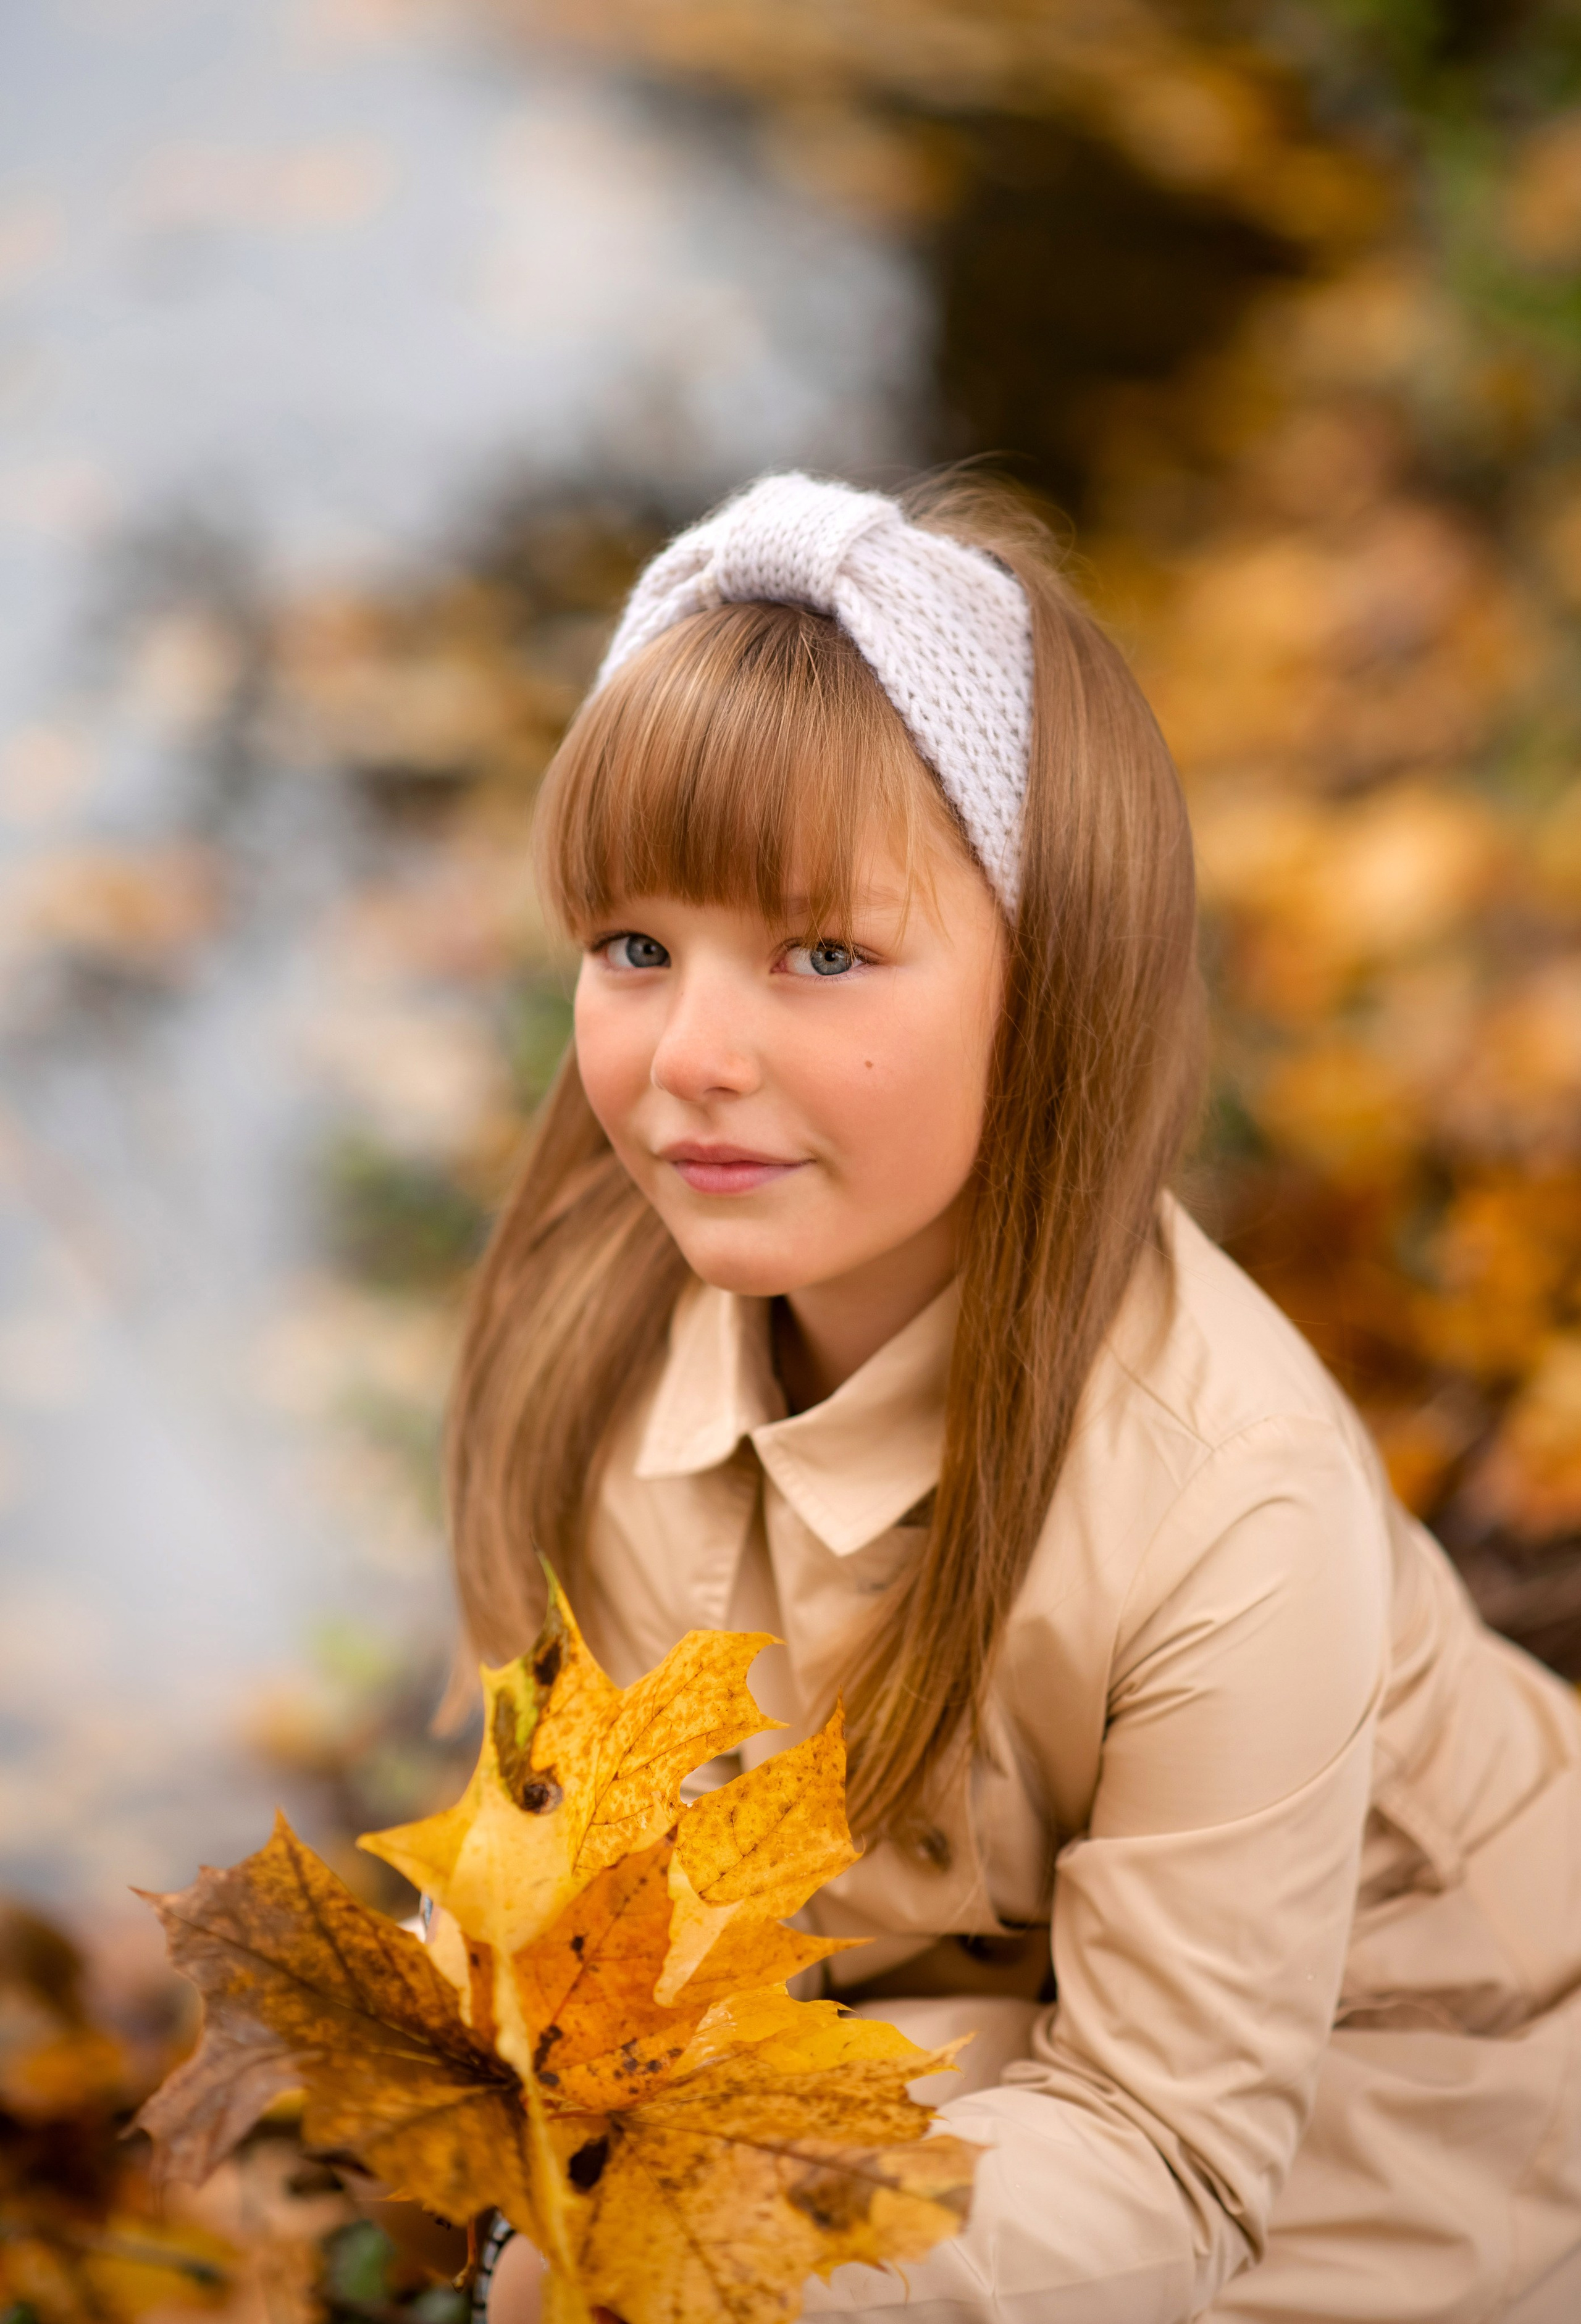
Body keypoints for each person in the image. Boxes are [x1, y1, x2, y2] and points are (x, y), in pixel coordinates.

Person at [453, 472, 1581, 2323]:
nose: (695, 1056)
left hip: (1406, 2092)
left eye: (823, 953)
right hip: (984, 1992)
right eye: (634, 948)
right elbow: (619, 1857)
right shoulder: (606, 1339)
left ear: (1049, 982)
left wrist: (718, 2263)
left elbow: (1166, 2151)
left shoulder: (1234, 1493)